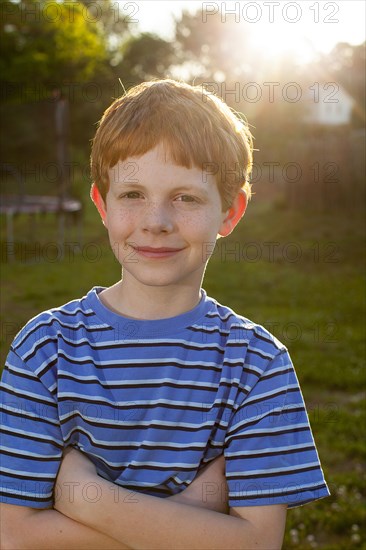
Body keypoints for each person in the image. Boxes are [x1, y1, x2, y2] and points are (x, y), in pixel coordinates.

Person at [0, 79, 329, 549]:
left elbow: (257, 544)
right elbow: (13, 535)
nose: (156, 220)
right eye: (132, 194)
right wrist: (193, 515)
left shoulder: (257, 365)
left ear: (230, 213)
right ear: (102, 205)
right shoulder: (44, 349)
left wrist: (90, 499)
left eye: (186, 197)